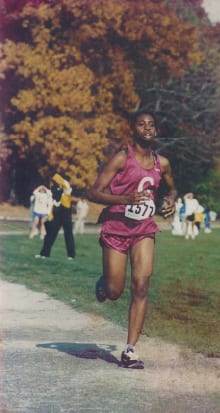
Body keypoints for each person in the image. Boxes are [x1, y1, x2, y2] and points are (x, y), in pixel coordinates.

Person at [87, 111, 176, 369]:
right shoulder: (122, 158)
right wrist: (125, 200)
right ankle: (104, 284)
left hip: (144, 229)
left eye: (151, 124)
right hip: (116, 228)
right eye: (141, 124)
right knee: (115, 292)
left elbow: (171, 188)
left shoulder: (163, 163)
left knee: (141, 284)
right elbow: (93, 192)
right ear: (134, 129)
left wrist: (169, 201)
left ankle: (130, 350)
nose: (147, 128)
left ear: (155, 131)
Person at [35, 173, 75, 259]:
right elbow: (52, 204)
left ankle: (71, 255)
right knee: (50, 234)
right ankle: (44, 254)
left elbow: (64, 183)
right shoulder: (54, 192)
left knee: (68, 235)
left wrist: (55, 177)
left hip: (66, 216)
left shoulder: (66, 191)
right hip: (57, 216)